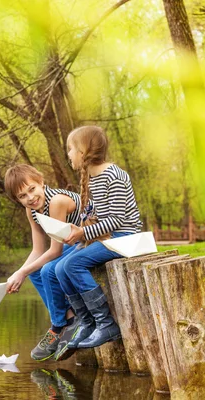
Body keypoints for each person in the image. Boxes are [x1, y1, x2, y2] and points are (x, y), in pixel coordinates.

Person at [53, 125, 142, 361]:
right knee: (60, 267)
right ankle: (87, 321)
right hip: (110, 238)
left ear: (83, 151)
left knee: (73, 265)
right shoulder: (93, 178)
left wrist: (83, 233)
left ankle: (106, 323)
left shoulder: (113, 175)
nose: (68, 154)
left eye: (71, 149)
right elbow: (96, 217)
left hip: (127, 238)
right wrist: (79, 229)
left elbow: (116, 220)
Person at [3, 164, 84, 361]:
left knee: (48, 269)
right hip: (71, 245)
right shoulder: (32, 212)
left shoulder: (56, 202)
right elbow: (38, 250)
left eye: (32, 189)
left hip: (90, 240)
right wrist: (18, 273)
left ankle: (58, 326)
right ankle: (69, 317)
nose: (30, 198)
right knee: (35, 271)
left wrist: (21, 272)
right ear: (18, 200)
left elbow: (55, 251)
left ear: (41, 182)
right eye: (22, 196)